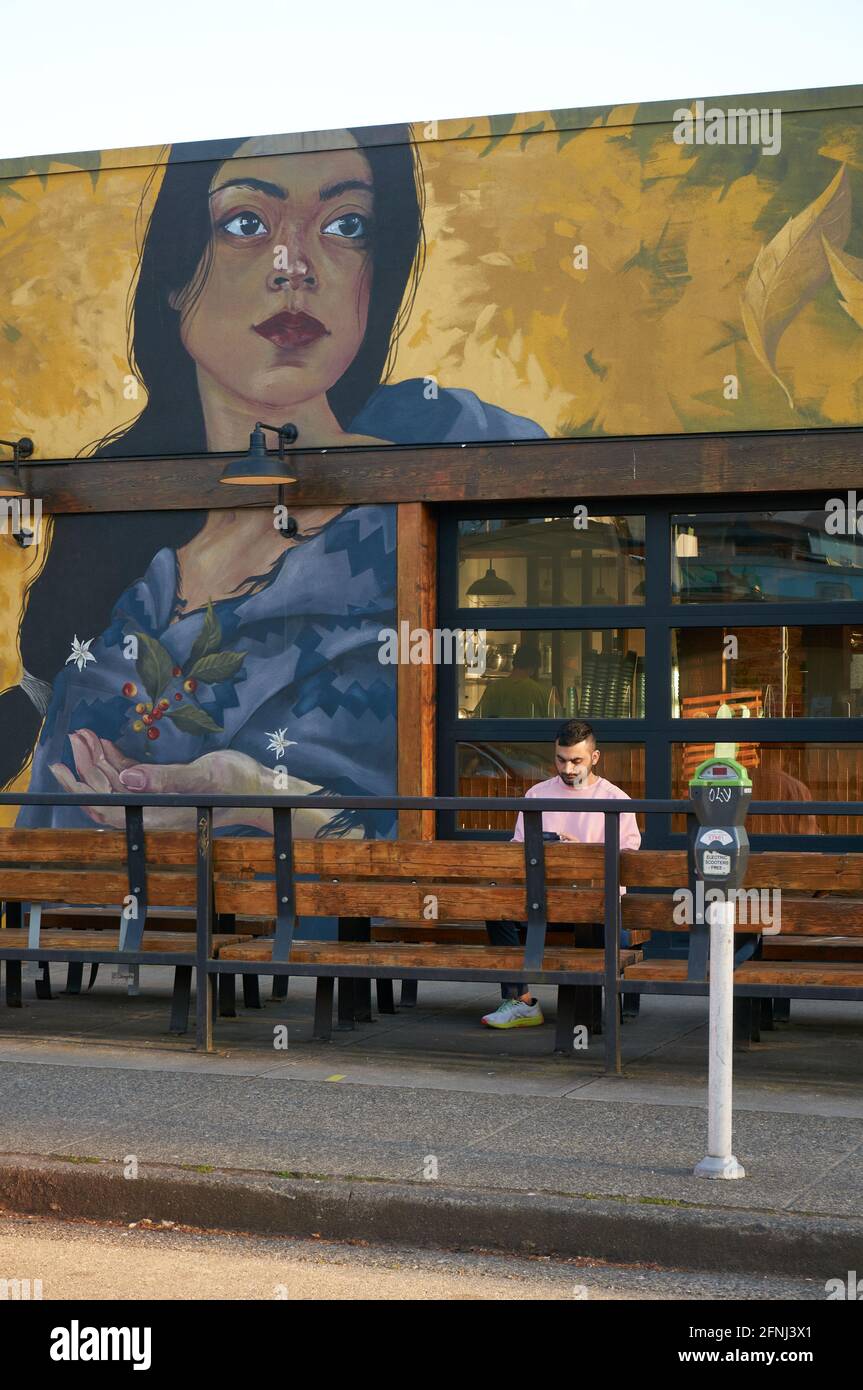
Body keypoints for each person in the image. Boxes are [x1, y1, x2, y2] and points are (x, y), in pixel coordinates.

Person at [9, 126, 545, 835]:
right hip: (81, 928)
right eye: (245, 224)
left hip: (322, 935)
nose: (295, 266)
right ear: (175, 273)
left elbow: (417, 832)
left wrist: (250, 797)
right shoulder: (121, 545)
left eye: (346, 226)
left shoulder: (444, 473)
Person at [482, 718, 641, 1028]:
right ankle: (520, 1001)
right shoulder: (537, 796)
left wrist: (580, 854)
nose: (568, 769)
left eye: (576, 761)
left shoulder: (615, 800)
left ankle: (588, 1011)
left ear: (594, 758)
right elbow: (516, 853)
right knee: (497, 907)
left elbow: (628, 865)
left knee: (594, 918)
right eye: (561, 759)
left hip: (598, 909)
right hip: (545, 903)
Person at [475, 644, 549, 718]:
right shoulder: (541, 692)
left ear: (514, 662)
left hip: (499, 729)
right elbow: (556, 719)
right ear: (534, 666)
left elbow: (478, 717)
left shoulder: (494, 688)